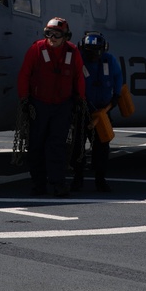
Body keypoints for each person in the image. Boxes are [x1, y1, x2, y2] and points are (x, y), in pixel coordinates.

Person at [17, 17, 85, 197]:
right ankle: (38, 184)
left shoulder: (73, 52)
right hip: (39, 104)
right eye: (49, 34)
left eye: (57, 34)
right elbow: (24, 74)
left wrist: (80, 99)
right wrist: (24, 99)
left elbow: (79, 77)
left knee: (58, 146)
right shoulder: (36, 49)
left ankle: (57, 183)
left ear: (65, 36)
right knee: (36, 146)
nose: (52, 38)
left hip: (62, 106)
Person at [74, 31, 123, 192]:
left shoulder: (110, 61)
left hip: (102, 112)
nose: (93, 55)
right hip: (81, 111)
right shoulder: (78, 61)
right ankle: (78, 178)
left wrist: (116, 97)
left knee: (102, 146)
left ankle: (100, 179)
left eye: (97, 51)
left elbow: (118, 78)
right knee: (78, 147)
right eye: (90, 51)